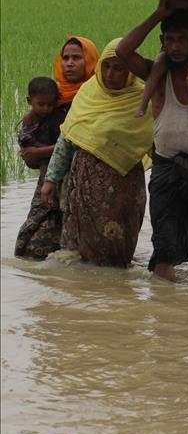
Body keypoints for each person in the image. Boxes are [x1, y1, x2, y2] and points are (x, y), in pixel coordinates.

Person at [115, 0, 188, 283]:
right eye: (170, 39)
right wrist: (158, 14)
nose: (176, 46)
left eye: (183, 39)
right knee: (164, 252)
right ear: (162, 41)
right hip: (166, 169)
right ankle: (168, 318)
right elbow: (122, 50)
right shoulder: (157, 71)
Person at [38, 39, 153, 268]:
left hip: (122, 191)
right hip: (81, 186)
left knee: (115, 255)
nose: (110, 74)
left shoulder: (144, 100)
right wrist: (51, 179)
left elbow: (158, 144)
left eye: (119, 68)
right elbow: (67, 139)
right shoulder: (88, 94)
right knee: (78, 254)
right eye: (106, 67)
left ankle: (112, 295)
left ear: (131, 71)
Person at [15, 37, 100, 260]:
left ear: (90, 61)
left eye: (77, 58)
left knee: (84, 249)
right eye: (66, 58)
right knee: (31, 247)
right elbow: (30, 155)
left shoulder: (98, 97)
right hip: (50, 180)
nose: (69, 63)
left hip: (85, 181)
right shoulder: (52, 98)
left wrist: (39, 153)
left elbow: (83, 142)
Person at [17, 78, 60, 170]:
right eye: (41, 104)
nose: (46, 108)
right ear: (29, 101)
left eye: (50, 104)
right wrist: (42, 148)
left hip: (47, 150)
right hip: (36, 149)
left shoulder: (56, 114)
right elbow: (27, 138)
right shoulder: (29, 118)